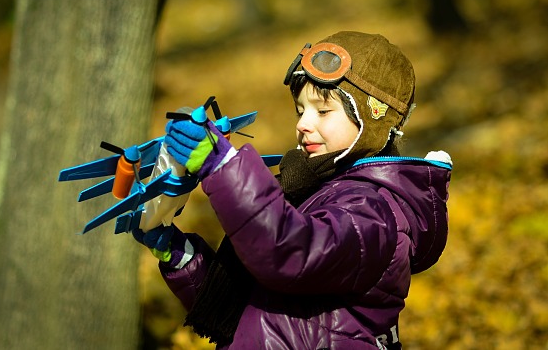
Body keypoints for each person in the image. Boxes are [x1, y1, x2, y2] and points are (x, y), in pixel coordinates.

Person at [133, 30, 452, 349]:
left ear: (373, 119)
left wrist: (222, 166)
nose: (303, 123)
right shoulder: (313, 189)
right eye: (301, 110)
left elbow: (288, 251)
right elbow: (253, 314)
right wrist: (180, 256)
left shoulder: (375, 212)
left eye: (323, 111)